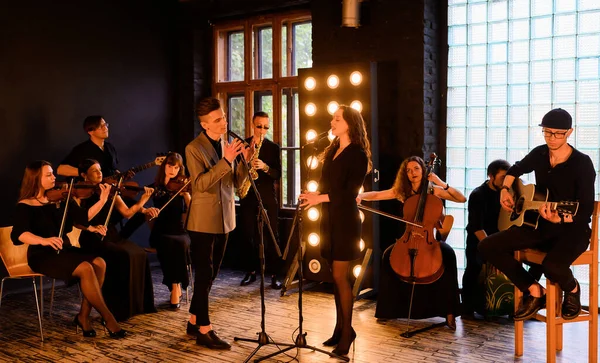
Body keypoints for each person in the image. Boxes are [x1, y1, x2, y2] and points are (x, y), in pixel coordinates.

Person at [479, 108, 596, 321]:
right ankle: (534, 291)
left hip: (573, 230)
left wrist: (560, 217)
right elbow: (515, 170)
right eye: (547, 132)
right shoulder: (539, 154)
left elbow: (586, 208)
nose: (551, 138)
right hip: (540, 225)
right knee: (487, 245)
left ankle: (572, 290)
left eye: (558, 133)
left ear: (569, 132)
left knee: (551, 266)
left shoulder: (582, 163)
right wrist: (505, 190)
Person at [11, 161, 128, 338]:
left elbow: (83, 217)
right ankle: (108, 318)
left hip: (64, 250)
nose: (54, 177)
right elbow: (19, 234)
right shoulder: (25, 205)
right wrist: (43, 240)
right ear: (36, 179)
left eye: (53, 173)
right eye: (49, 175)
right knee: (86, 267)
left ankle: (83, 317)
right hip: (42, 255)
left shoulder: (61, 198)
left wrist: (103, 199)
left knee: (100, 262)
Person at [358, 155, 466, 330]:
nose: (412, 173)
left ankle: (450, 312)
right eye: (408, 170)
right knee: (387, 256)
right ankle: (387, 310)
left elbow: (461, 199)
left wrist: (441, 182)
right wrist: (360, 195)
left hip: (430, 240)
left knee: (449, 255)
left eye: (416, 168)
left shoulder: (433, 189)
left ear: (423, 170)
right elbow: (378, 194)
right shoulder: (403, 191)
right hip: (408, 238)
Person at [299, 105, 372, 356]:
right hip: (329, 219)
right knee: (335, 276)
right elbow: (326, 184)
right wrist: (314, 195)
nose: (332, 122)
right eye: (332, 118)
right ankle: (341, 329)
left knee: (342, 278)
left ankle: (347, 334)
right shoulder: (332, 150)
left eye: (337, 119)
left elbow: (349, 193)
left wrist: (321, 199)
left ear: (349, 124)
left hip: (346, 222)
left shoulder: (358, 154)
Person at [185, 97, 248, 350]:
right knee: (203, 275)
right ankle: (204, 329)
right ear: (204, 124)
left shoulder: (226, 144)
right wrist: (226, 160)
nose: (224, 122)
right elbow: (199, 184)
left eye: (223, 116)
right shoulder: (193, 148)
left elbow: (237, 185)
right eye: (218, 119)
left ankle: (192, 319)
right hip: (202, 221)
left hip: (225, 219)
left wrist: (244, 160)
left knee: (211, 274)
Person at [77, 159, 158, 322]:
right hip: (92, 237)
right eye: (94, 171)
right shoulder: (79, 193)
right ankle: (116, 309)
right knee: (121, 256)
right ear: (84, 175)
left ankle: (137, 305)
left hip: (112, 234)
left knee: (138, 253)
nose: (100, 173)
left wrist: (142, 201)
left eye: (100, 169)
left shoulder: (110, 190)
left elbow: (127, 213)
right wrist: (92, 226)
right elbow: (79, 221)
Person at [238, 111, 283, 289]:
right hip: (248, 194)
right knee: (248, 234)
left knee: (272, 235)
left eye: (266, 127)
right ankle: (250, 272)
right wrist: (247, 158)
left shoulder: (273, 147)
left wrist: (264, 167)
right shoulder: (244, 144)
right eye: (259, 126)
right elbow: (237, 171)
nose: (262, 130)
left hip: (266, 194)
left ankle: (275, 274)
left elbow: (278, 173)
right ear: (252, 125)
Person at [461, 159, 510, 317]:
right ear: (491, 176)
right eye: (502, 177)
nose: (505, 182)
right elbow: (476, 227)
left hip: (499, 239)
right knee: (474, 270)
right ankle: (467, 308)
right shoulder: (478, 194)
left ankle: (510, 306)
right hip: (479, 239)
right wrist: (491, 248)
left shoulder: (506, 193)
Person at [148, 152, 191, 309]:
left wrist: (187, 196)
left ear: (180, 169)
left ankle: (175, 285)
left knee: (179, 244)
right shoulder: (155, 186)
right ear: (164, 166)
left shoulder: (182, 186)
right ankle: (175, 286)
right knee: (167, 243)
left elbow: (192, 208)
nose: (173, 170)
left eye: (176, 167)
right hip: (160, 230)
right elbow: (144, 205)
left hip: (179, 230)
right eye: (170, 166)